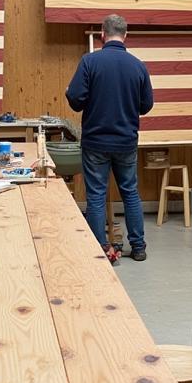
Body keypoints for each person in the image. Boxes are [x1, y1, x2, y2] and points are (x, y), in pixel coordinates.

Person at [66, 14, 153, 264]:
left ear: (102, 34)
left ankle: (100, 248)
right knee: (130, 193)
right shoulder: (138, 66)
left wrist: (69, 94)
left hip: (95, 143)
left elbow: (76, 100)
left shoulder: (89, 62)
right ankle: (138, 247)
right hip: (126, 142)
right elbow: (146, 106)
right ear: (125, 35)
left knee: (96, 195)